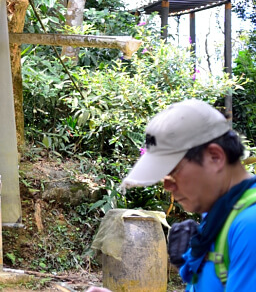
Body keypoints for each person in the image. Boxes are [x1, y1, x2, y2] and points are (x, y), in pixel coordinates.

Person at [86, 99, 256, 292]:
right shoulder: (221, 215)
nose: (166, 185)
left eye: (172, 170)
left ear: (215, 157)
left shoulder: (249, 225)